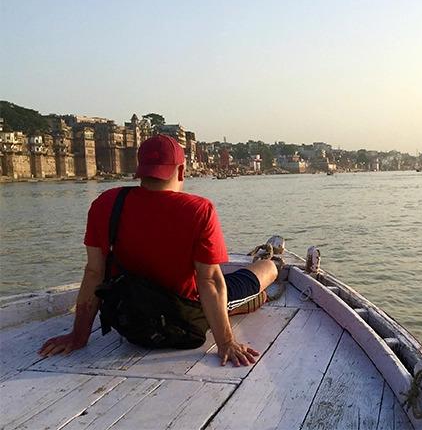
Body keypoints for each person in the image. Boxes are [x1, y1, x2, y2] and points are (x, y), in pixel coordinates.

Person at [38, 135, 278, 367]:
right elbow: (211, 282)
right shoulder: (199, 210)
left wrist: (78, 336)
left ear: (140, 169)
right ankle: (262, 289)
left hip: (129, 313)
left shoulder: (105, 203)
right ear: (182, 170)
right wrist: (226, 343)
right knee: (268, 268)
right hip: (182, 314)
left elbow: (93, 273)